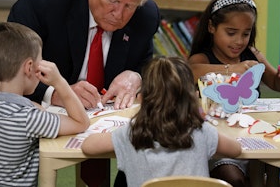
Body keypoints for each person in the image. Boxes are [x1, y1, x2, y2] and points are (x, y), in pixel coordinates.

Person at [0, 0, 160, 186]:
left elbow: (147, 64)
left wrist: (135, 76)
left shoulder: (146, 16)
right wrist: (53, 92)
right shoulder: (44, 0)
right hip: (33, 91)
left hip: (96, 109)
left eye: (130, 6)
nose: (119, 14)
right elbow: (10, 62)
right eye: (113, 0)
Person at [188, 0, 280, 187]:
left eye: (246, 34)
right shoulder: (201, 58)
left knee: (273, 181)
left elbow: (277, 84)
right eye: (231, 33)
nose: (239, 41)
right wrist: (232, 69)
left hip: (255, 138)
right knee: (233, 179)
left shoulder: (253, 55)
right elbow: (190, 70)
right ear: (212, 27)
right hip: (219, 143)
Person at [81, 56, 242, 187]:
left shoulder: (131, 133)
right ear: (193, 96)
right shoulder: (202, 131)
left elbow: (88, 146)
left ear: (142, 98)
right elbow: (235, 150)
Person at [0, 22, 90, 187]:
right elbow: (81, 122)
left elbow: (31, 107)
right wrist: (60, 82)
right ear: (29, 67)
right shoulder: (28, 118)